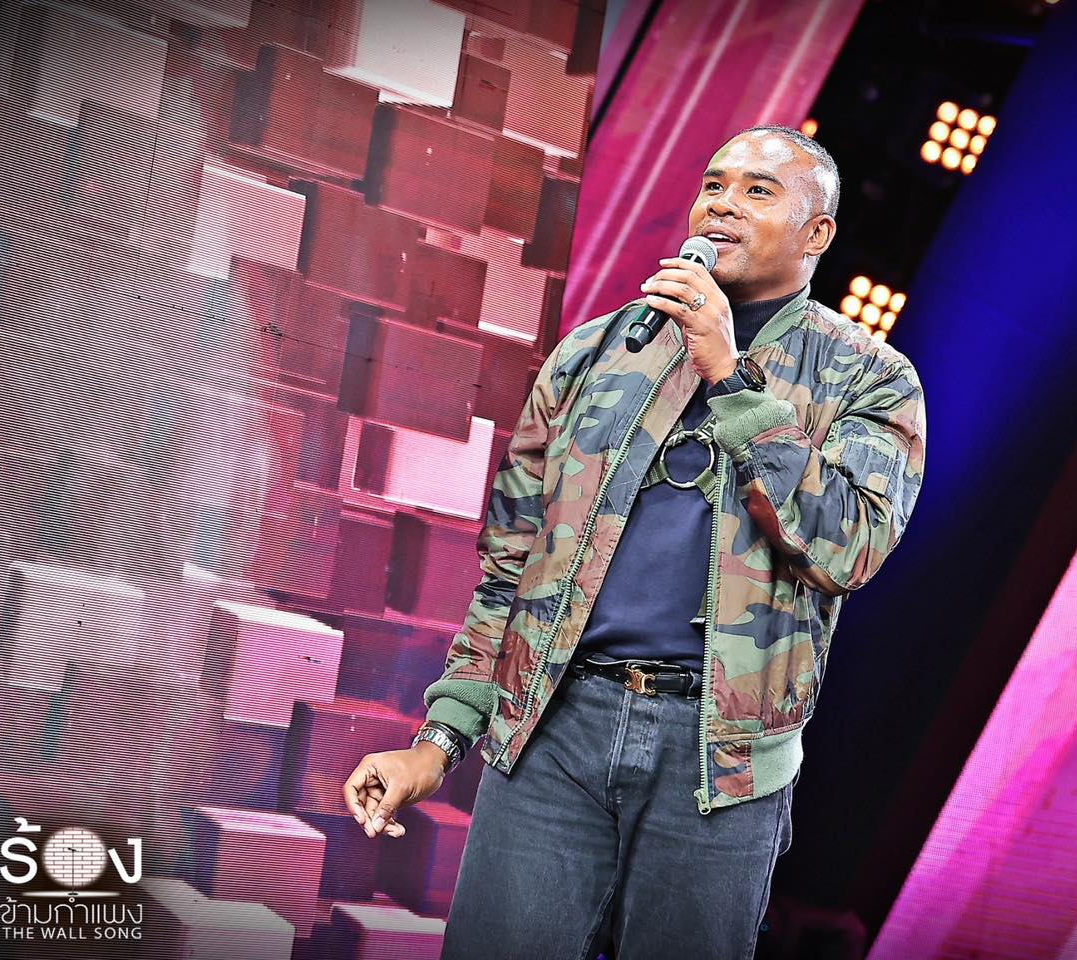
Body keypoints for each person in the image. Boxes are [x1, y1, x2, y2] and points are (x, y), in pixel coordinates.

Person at [342, 124, 927, 960]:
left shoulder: (870, 378)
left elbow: (848, 550)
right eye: (714, 185)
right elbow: (510, 570)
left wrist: (731, 379)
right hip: (553, 734)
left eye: (758, 191)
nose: (723, 203)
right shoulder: (594, 354)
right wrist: (439, 741)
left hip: (719, 764)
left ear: (817, 233)